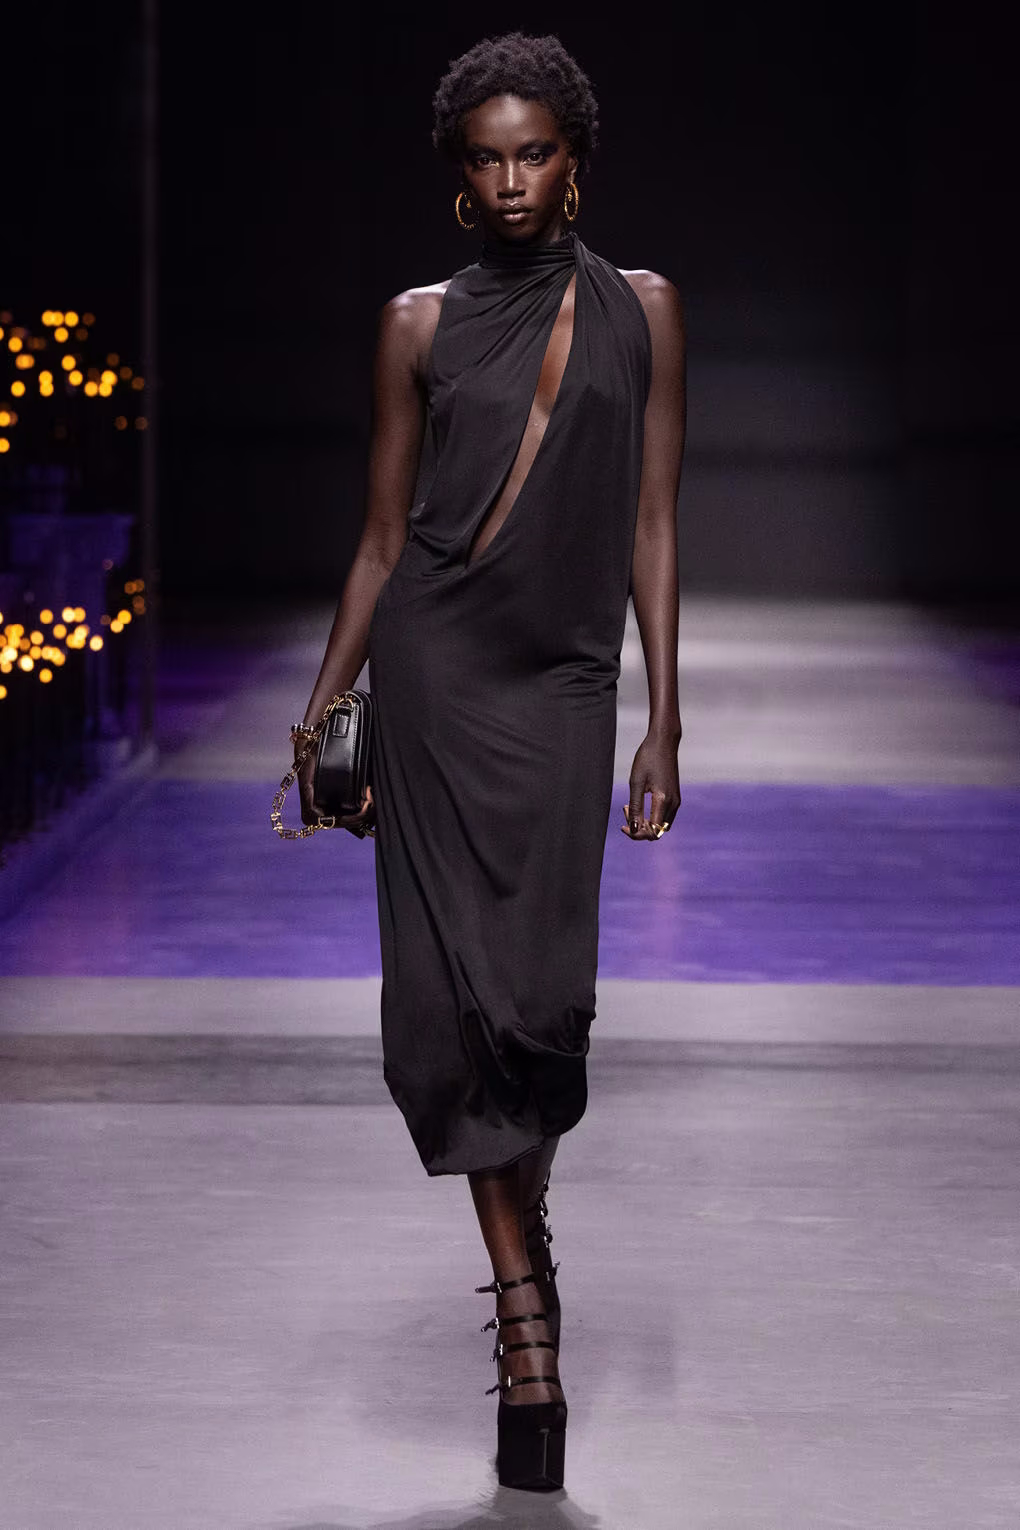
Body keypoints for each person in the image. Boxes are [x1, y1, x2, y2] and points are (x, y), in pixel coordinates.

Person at [294, 31, 685, 1492]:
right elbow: (381, 539)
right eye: (486, 158)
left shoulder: (647, 310)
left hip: (567, 685)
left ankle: (525, 1247)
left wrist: (663, 716)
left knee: (540, 1003)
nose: (513, 180)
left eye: (535, 152)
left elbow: (653, 522)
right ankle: (527, 1321)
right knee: (448, 1012)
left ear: (575, 160)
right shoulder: (415, 326)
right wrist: (324, 707)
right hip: (438, 678)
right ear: (459, 178)